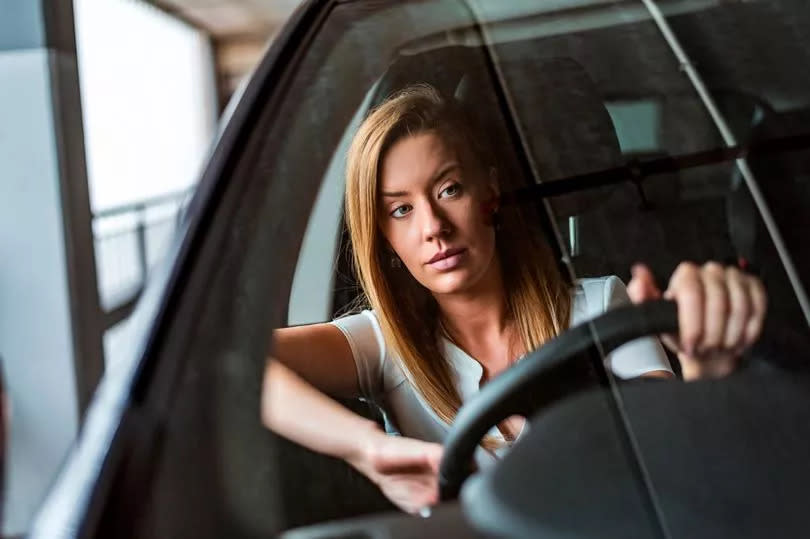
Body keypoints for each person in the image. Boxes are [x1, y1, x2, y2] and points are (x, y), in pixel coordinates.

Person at [261, 84, 767, 513]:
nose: (433, 227)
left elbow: (673, 466)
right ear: (383, 237)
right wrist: (365, 448)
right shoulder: (383, 345)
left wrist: (704, 374)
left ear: (490, 194)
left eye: (449, 189)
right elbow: (241, 369)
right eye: (400, 211)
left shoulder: (597, 308)